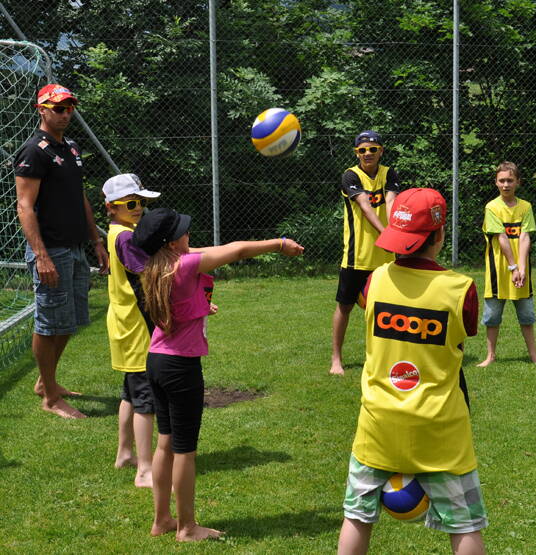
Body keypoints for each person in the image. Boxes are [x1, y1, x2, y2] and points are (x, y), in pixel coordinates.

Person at [133, 208, 304, 542]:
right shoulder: (184, 264)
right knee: (184, 450)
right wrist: (279, 243)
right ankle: (186, 527)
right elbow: (237, 250)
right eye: (183, 232)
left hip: (156, 360)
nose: (189, 235)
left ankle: (162, 520)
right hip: (181, 368)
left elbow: (177, 306)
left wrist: (199, 307)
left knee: (165, 443)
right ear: (170, 242)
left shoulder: (155, 267)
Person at [337, 188, 488, 555]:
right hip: (440, 429)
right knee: (466, 525)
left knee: (356, 517)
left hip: (379, 424)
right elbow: (466, 331)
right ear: (439, 234)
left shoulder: (374, 282)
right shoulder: (461, 289)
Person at [14, 83, 109, 419]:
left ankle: (46, 383)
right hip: (50, 249)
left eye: (70, 108)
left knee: (69, 322)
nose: (66, 113)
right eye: (58, 108)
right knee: (49, 323)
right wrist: (40, 255)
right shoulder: (33, 151)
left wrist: (96, 241)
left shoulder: (71, 146)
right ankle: (51, 398)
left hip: (76, 247)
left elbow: (79, 196)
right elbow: (24, 206)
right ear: (41, 109)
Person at [103, 173, 161, 487]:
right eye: (132, 203)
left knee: (129, 392)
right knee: (145, 400)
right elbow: (148, 273)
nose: (138, 208)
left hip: (124, 322)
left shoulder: (120, 231)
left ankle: (125, 453)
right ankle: (145, 470)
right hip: (136, 327)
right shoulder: (124, 236)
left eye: (142, 202)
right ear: (111, 206)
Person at [330, 130, 400, 376]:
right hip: (357, 256)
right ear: (356, 153)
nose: (367, 153)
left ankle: (384, 358)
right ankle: (336, 359)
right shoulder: (351, 175)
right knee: (345, 306)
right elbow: (366, 207)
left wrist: (394, 234)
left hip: (386, 257)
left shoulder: (389, 173)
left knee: (387, 309)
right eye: (362, 150)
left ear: (381, 151)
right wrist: (388, 235)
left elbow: (390, 203)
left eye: (372, 149)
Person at [477, 162, 536, 368]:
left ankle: (534, 356)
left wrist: (523, 268)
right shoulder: (492, 207)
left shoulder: (526, 207)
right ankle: (490, 356)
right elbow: (501, 238)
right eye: (502, 180)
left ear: (518, 182)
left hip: (521, 271)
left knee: (526, 315)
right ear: (496, 182)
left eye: (510, 180)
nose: (506, 184)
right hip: (498, 270)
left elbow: (525, 237)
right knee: (492, 316)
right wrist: (513, 267)